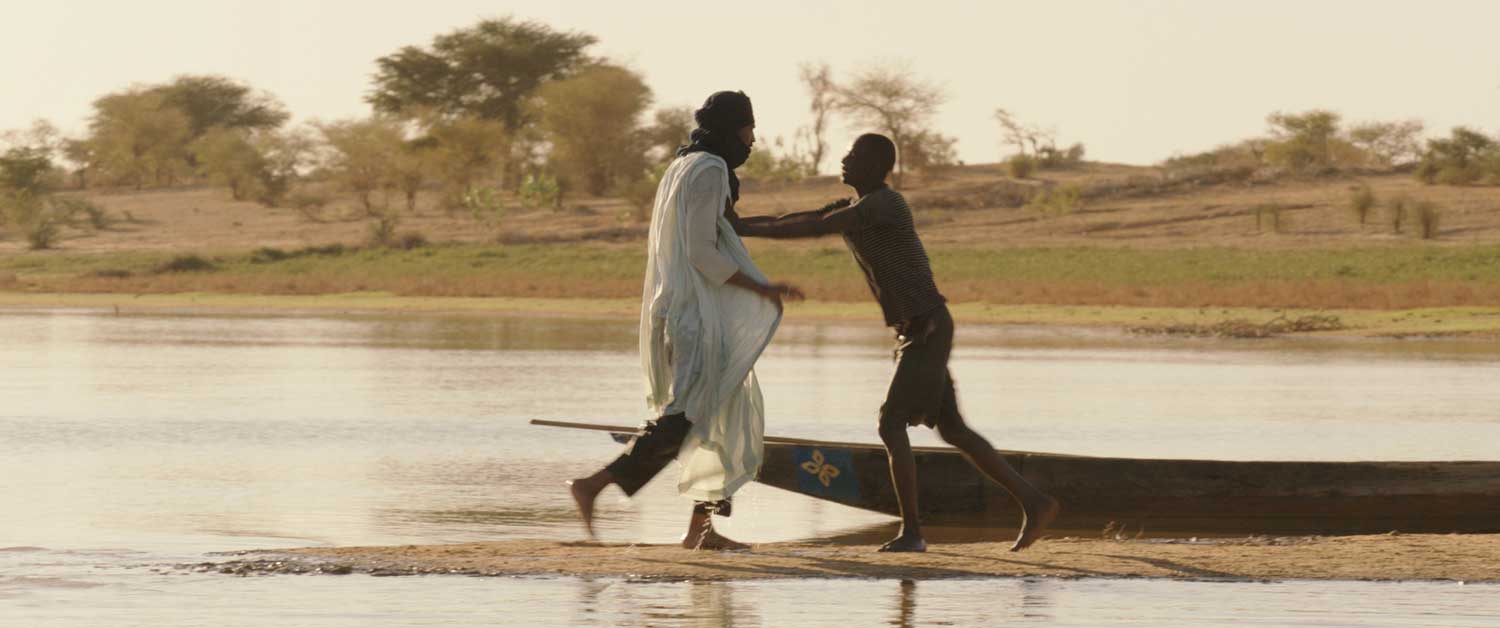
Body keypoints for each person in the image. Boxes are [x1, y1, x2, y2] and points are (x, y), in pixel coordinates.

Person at [731, 133, 1060, 552]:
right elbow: (793, 220)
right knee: (954, 430)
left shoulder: (884, 205)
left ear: (875, 166)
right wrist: (737, 224)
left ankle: (913, 533)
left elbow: (816, 227)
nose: (845, 160)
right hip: (917, 330)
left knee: (891, 424)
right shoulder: (854, 207)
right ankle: (1035, 502)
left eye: (854, 156)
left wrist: (737, 225)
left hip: (928, 328)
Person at [568, 91, 803, 550]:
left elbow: (710, 231)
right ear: (732, 127)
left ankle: (702, 530)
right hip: (697, 318)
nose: (752, 139)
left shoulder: (684, 164)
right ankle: (593, 485)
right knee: (686, 416)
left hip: (688, 311)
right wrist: (762, 288)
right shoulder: (710, 168)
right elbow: (699, 252)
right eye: (748, 128)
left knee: (718, 414)